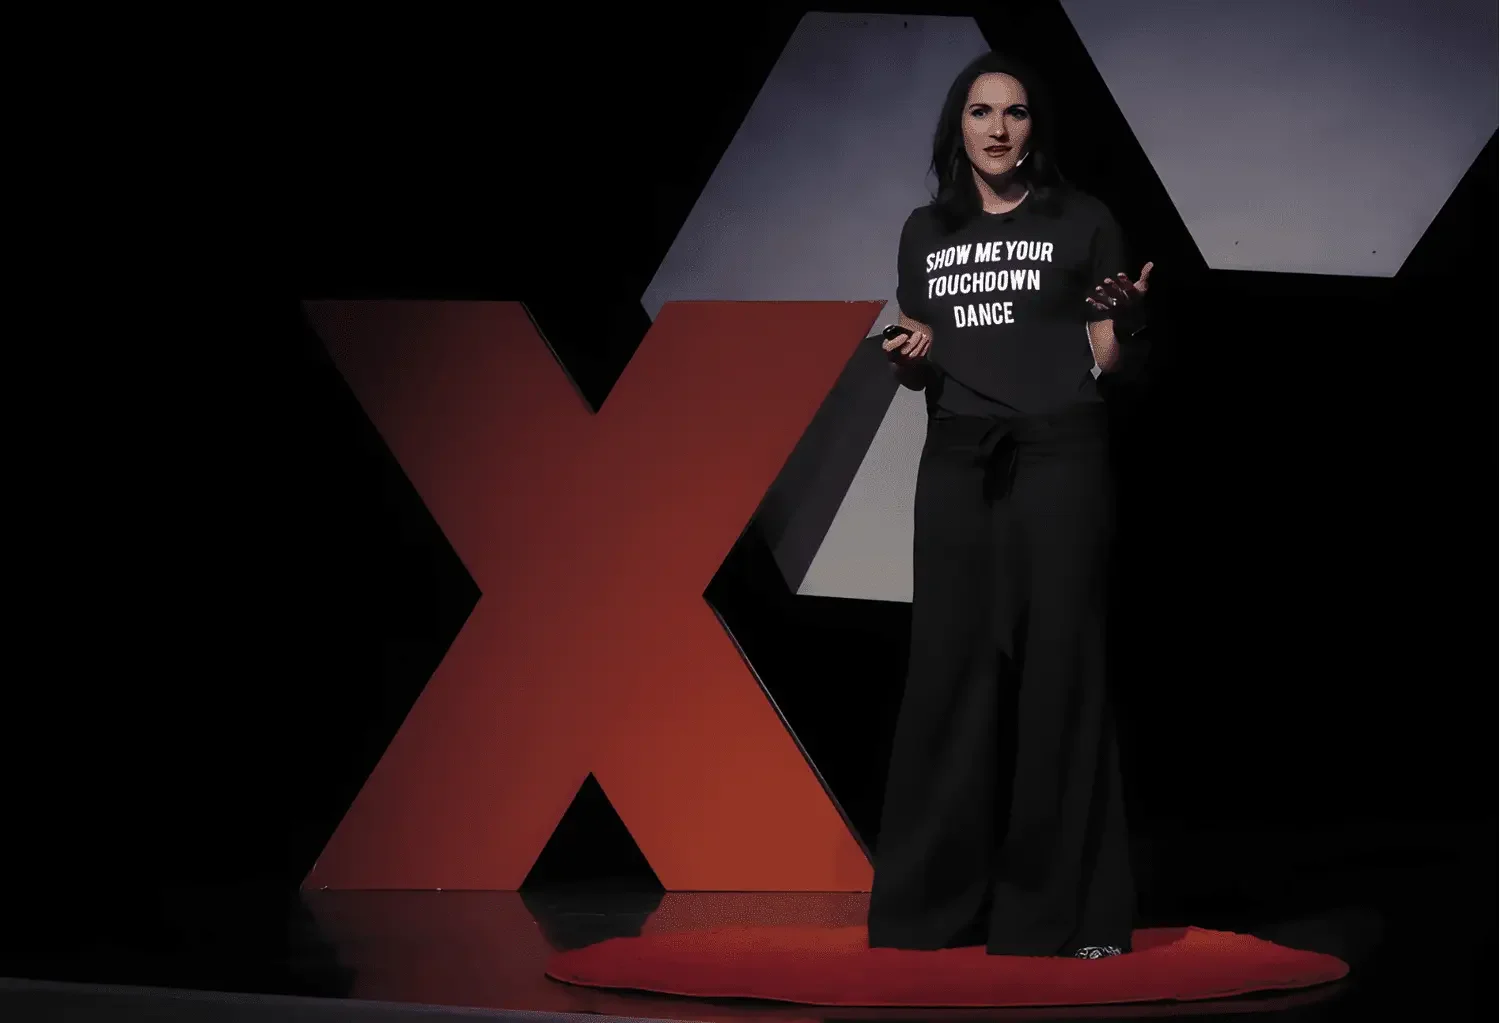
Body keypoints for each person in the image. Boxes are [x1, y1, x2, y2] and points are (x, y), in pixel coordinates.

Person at [865, 51, 1154, 960]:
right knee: (950, 679)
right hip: (956, 465)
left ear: (1036, 128)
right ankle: (928, 913)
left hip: (1059, 458)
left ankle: (1059, 918)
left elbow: (1110, 364)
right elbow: (925, 363)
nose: (998, 128)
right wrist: (910, 359)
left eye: (1016, 113)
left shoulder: (1084, 220)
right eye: (982, 111)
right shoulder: (924, 231)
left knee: (1060, 675)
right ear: (958, 125)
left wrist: (1128, 322)